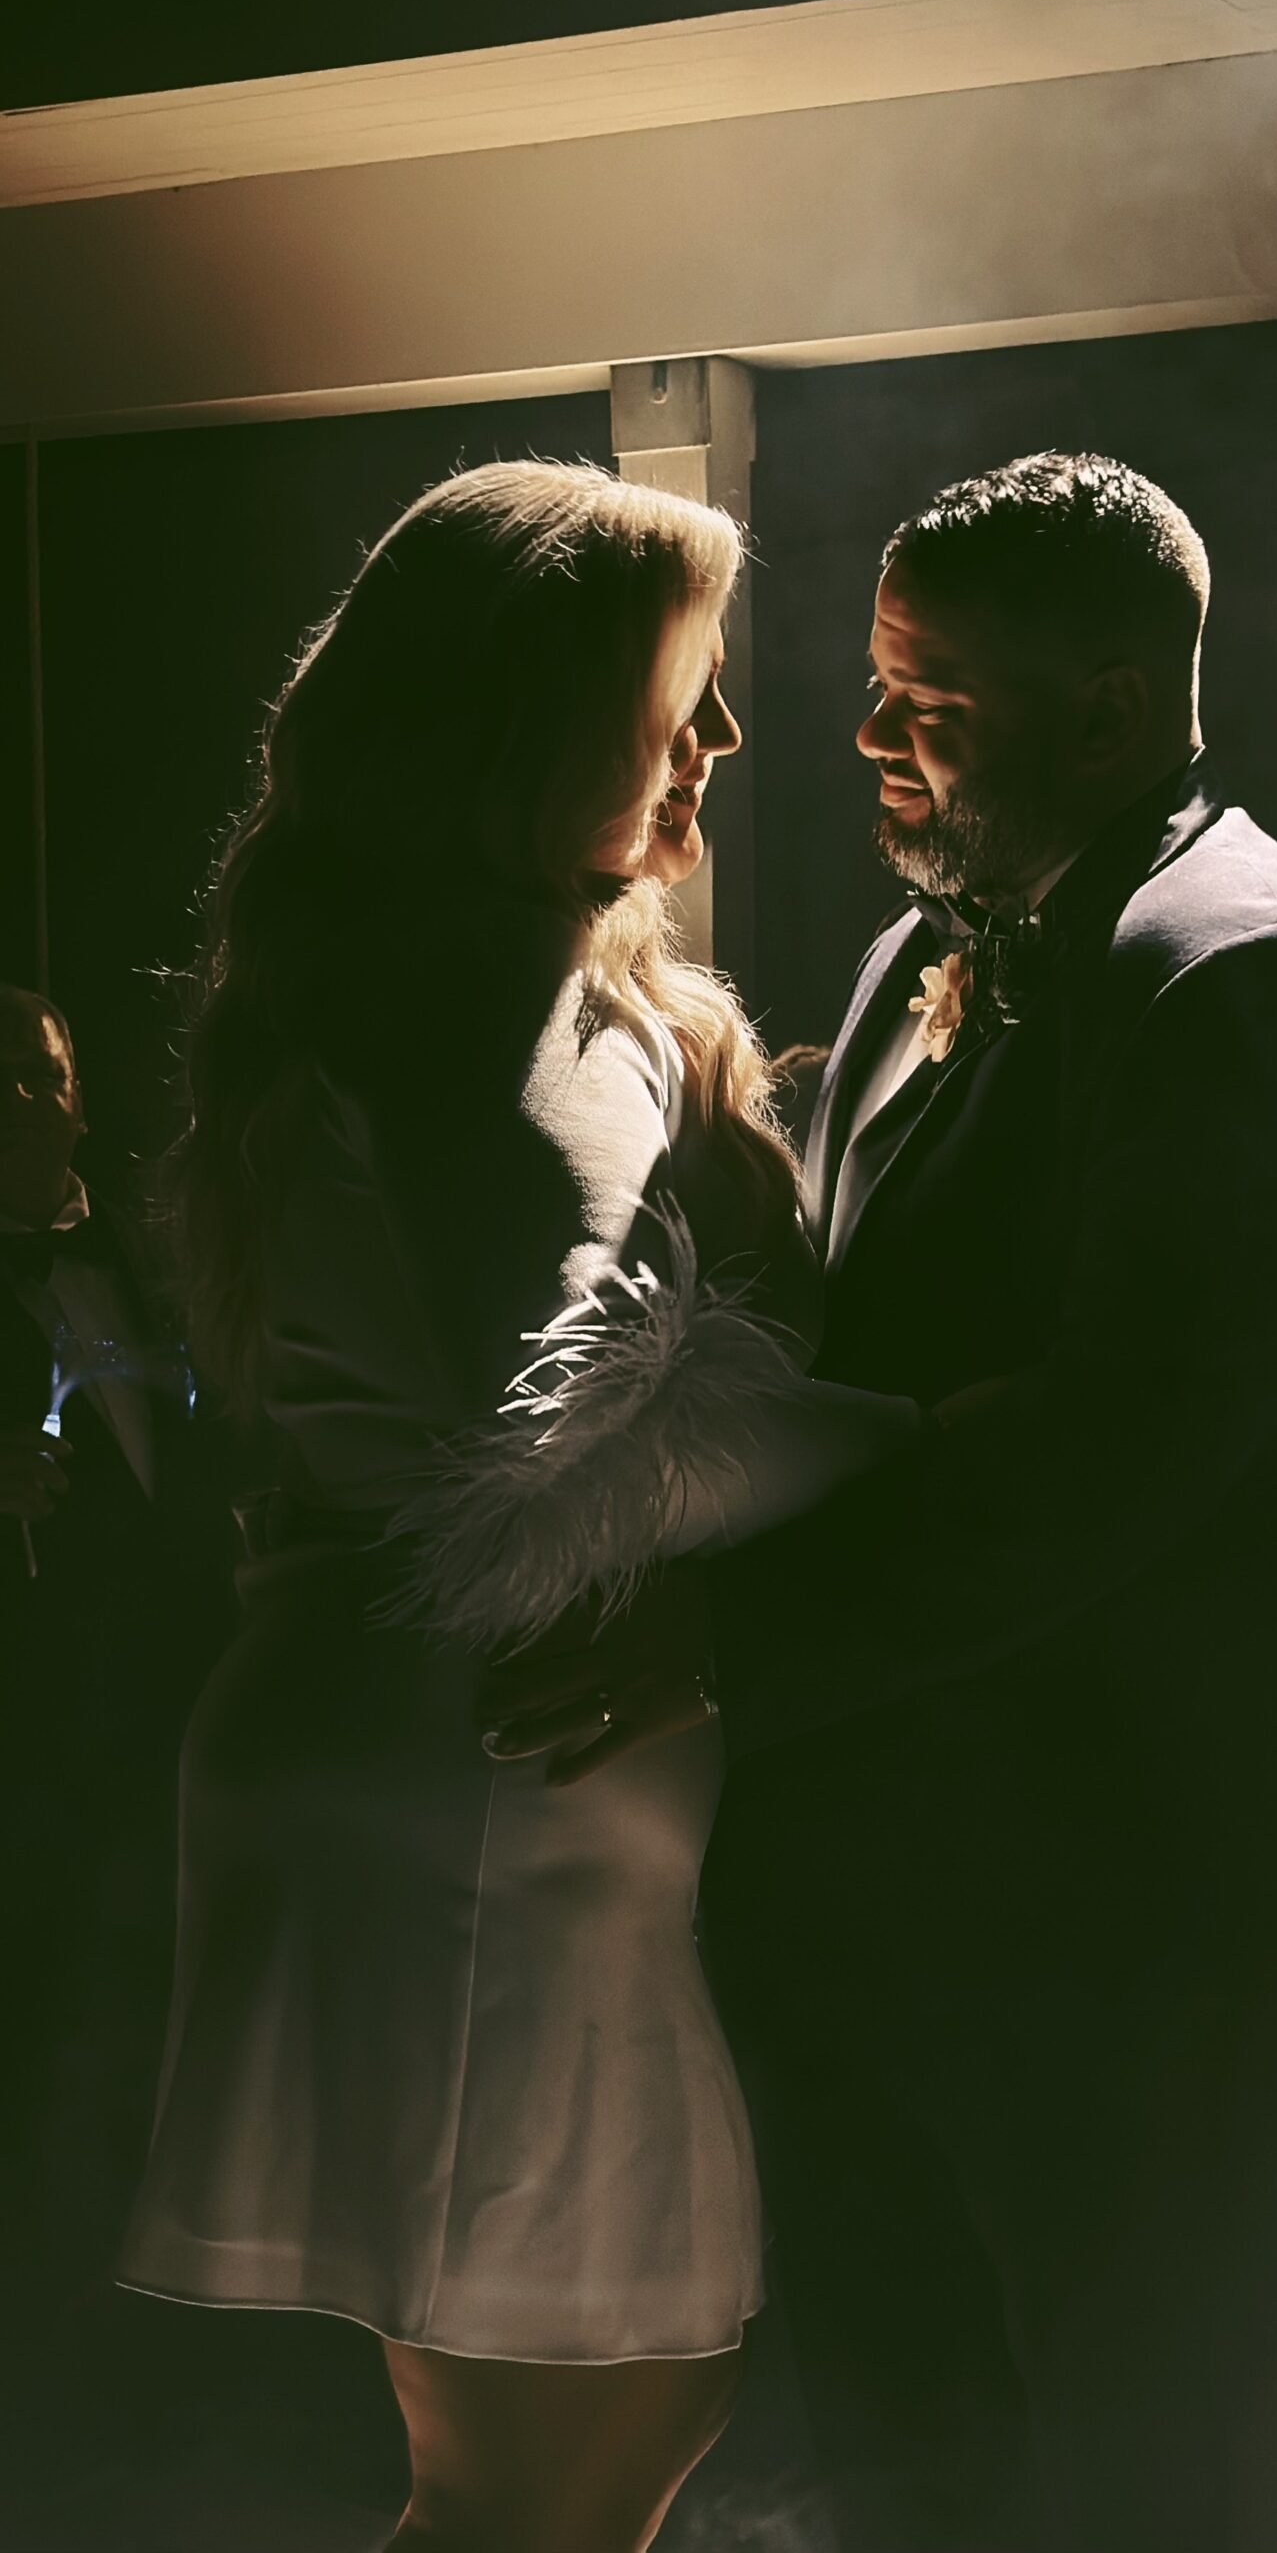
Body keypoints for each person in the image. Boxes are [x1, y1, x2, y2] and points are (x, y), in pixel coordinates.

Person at [485, 454, 1277, 2552]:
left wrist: (721, 1637)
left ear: (1109, 711)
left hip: (1152, 1915)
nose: (867, 738)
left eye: (930, 703)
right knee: (916, 2473)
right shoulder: (921, 949)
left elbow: (1117, 1453)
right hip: (892, 1896)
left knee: (1144, 2483)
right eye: (880, 687)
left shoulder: (1246, 970)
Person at [118, 460, 914, 2553]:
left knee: (504, 2489)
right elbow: (541, 1448)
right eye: (681, 688)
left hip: (409, 1769)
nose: (722, 733)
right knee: (562, 2480)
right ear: (531, 720)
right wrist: (922, 1439)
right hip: (512, 1800)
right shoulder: (512, 987)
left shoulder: (381, 967)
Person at [0, 985, 235, 2320]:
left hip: (175, 1689)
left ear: (79, 1098)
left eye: (43, 1075)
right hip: (29, 1715)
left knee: (164, 1997)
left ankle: (162, 2290)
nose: (21, 1100)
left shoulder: (151, 1259)